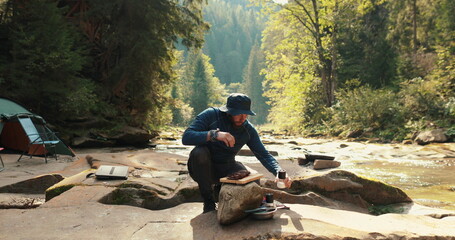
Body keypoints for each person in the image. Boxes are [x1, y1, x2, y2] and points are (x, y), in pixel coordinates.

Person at [182, 93, 292, 213]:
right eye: (239, 113)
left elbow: (263, 154)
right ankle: (208, 202)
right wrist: (214, 134)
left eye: (246, 114)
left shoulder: (248, 130)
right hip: (202, 168)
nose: (243, 117)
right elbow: (186, 137)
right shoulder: (211, 115)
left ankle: (221, 191)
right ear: (228, 111)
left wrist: (278, 171)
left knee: (253, 182)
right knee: (199, 152)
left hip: (226, 168)